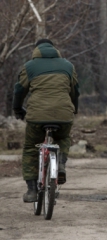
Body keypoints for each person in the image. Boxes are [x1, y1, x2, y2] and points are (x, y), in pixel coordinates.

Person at [13, 39, 80, 203]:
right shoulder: (68, 66)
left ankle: (31, 190)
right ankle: (61, 165)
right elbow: (75, 92)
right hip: (64, 115)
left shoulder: (29, 66)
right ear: (55, 49)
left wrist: (18, 110)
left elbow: (19, 91)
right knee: (63, 138)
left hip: (37, 117)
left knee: (30, 148)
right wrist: (73, 111)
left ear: (36, 50)